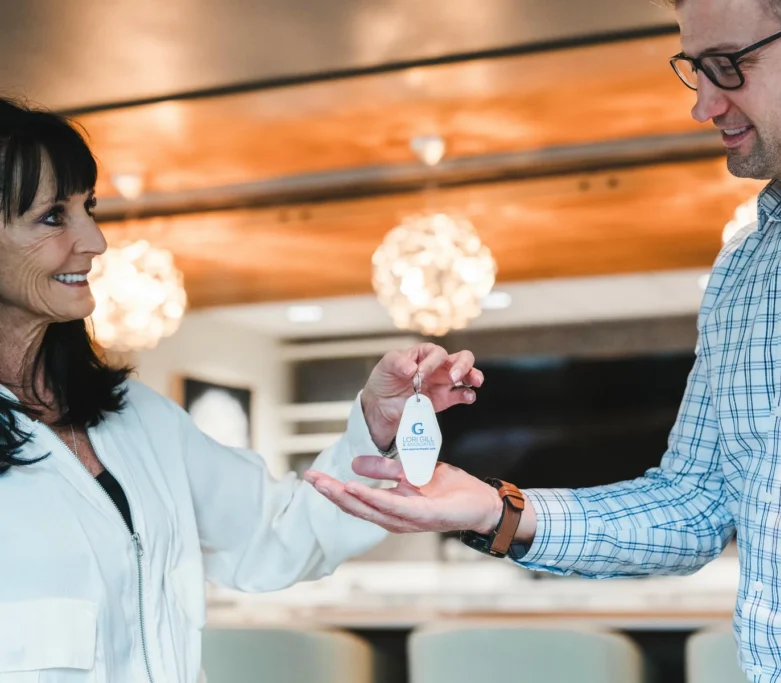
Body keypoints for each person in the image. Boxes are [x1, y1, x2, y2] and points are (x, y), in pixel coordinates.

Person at [306, 0, 781, 680]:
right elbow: (694, 504)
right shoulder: (746, 268)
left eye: (730, 64)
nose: (704, 105)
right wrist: (496, 512)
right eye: (694, 69)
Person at [0, 96, 483, 683]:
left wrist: (379, 423)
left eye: (89, 209)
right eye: (54, 216)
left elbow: (276, 538)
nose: (96, 241)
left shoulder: (139, 421)